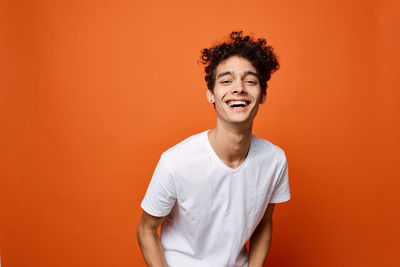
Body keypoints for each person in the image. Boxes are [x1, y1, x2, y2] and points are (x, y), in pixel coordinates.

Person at [137, 31, 291, 267]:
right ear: (211, 94)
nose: (238, 88)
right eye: (226, 81)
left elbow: (264, 221)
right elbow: (146, 230)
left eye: (250, 81)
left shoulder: (275, 160)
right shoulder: (175, 161)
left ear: (263, 95)